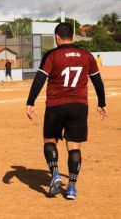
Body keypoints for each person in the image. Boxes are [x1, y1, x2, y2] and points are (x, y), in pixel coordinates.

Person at [26, 22, 107, 200]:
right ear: (73, 36)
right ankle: (71, 187)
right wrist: (101, 103)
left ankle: (55, 173)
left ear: (57, 37)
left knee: (50, 140)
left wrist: (30, 101)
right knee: (74, 147)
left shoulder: (53, 55)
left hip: (56, 105)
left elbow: (39, 79)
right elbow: (98, 81)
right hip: (79, 106)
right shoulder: (86, 55)